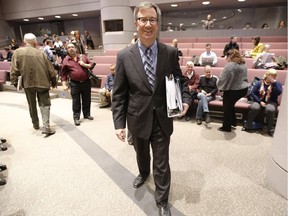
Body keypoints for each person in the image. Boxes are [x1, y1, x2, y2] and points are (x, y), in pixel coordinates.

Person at [112, 2, 189, 215]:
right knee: (142, 154)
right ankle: (143, 172)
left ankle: (162, 201)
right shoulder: (124, 56)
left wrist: (185, 99)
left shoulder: (170, 52)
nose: (148, 24)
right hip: (136, 118)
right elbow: (119, 93)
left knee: (162, 162)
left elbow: (179, 81)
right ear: (136, 23)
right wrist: (118, 124)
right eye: (143, 19)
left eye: (152, 20)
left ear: (157, 23)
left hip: (163, 117)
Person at [10, 33, 56, 135]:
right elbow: (50, 69)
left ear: (24, 41)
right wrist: (53, 81)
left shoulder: (17, 52)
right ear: (35, 42)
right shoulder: (41, 53)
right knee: (45, 104)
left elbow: (14, 69)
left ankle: (35, 124)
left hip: (27, 83)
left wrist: (14, 82)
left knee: (31, 104)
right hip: (42, 82)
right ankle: (46, 126)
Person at [61, 43, 94, 126]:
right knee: (76, 101)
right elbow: (63, 74)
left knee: (87, 99)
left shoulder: (83, 57)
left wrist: (84, 64)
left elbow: (92, 65)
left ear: (75, 48)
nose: (71, 48)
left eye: (72, 47)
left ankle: (87, 114)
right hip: (74, 83)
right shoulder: (66, 60)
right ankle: (76, 118)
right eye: (69, 47)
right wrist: (64, 84)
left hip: (86, 82)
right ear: (67, 50)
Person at [217, 49, 249, 132]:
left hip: (233, 90)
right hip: (243, 89)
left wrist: (219, 86)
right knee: (230, 106)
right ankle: (233, 123)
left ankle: (226, 127)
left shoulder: (230, 65)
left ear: (230, 56)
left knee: (226, 107)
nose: (225, 59)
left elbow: (223, 79)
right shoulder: (243, 64)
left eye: (226, 56)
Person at [243, 69, 282, 136]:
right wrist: (260, 102)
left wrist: (274, 83)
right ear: (267, 75)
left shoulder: (277, 84)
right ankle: (247, 125)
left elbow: (279, 92)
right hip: (259, 100)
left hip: (271, 101)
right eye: (271, 75)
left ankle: (270, 129)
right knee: (255, 107)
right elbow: (253, 93)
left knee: (270, 109)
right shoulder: (259, 83)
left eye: (274, 76)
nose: (273, 77)